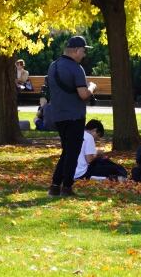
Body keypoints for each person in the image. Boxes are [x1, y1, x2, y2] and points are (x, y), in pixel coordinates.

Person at [47, 36, 98, 197]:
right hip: (74, 115)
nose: (84, 55)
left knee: (67, 150)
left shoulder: (53, 66)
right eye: (83, 51)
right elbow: (83, 94)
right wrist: (92, 87)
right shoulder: (76, 68)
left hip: (58, 115)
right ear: (76, 50)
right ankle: (66, 187)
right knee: (73, 152)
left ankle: (55, 185)